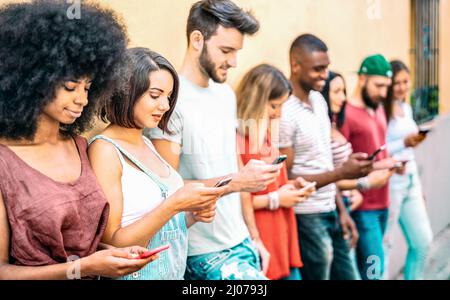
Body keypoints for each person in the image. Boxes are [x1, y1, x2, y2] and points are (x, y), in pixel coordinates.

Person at [0, 0, 156, 279]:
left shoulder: (80, 145)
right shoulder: (5, 162)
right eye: (71, 86)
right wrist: (83, 268)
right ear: (31, 79)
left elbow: (81, 245)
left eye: (89, 87)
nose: (82, 99)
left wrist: (109, 254)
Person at [145, 0, 281, 280]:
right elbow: (167, 189)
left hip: (242, 242)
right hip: (203, 252)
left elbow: (236, 172)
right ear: (197, 39)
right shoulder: (170, 102)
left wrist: (254, 237)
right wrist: (237, 181)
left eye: (236, 52)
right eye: (226, 50)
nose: (233, 62)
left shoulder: (226, 95)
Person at [88, 48, 226, 280]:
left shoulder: (147, 143)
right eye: (155, 95)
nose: (164, 105)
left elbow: (158, 228)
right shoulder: (105, 150)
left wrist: (192, 215)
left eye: (169, 97)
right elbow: (112, 242)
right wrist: (174, 204)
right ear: (126, 91)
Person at [279, 34, 373, 280]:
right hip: (307, 215)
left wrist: (341, 210)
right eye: (318, 69)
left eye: (326, 68)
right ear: (295, 65)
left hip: (331, 208)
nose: (324, 75)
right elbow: (285, 177)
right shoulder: (284, 111)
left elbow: (325, 162)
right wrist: (342, 174)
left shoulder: (319, 100)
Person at [236, 64, 316, 280]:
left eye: (282, 106)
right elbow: (236, 198)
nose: (278, 113)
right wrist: (277, 199)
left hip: (281, 233)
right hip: (262, 235)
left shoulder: (264, 136)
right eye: (273, 105)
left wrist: (290, 188)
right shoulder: (238, 142)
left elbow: (271, 186)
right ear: (256, 100)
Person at [340, 54, 404, 280]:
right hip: (363, 208)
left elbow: (378, 150)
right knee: (373, 271)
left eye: (386, 87)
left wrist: (391, 164)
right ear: (362, 78)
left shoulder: (377, 108)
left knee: (375, 268)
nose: (384, 93)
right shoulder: (346, 114)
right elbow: (340, 163)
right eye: (379, 85)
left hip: (383, 202)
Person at [382, 60, 433, 280]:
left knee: (423, 241)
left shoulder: (406, 107)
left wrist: (419, 186)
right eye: (397, 82)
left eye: (406, 81)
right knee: (385, 246)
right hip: (391, 183)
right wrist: (404, 142)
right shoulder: (381, 112)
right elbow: (379, 149)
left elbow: (409, 150)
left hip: (411, 180)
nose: (402, 87)